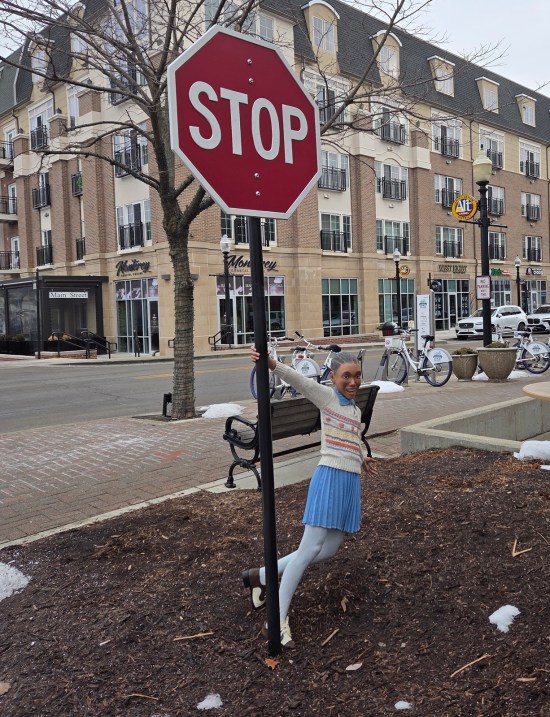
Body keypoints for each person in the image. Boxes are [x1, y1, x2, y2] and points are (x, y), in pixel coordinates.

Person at [242, 346, 377, 648]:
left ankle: (261, 575)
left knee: (328, 548)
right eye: (346, 376)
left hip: (349, 482)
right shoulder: (327, 398)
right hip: (329, 479)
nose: (353, 382)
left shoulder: (354, 410)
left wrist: (361, 459)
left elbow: (352, 438)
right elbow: (300, 381)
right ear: (333, 377)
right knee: (308, 551)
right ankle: (274, 623)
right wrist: (272, 364)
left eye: (357, 376)